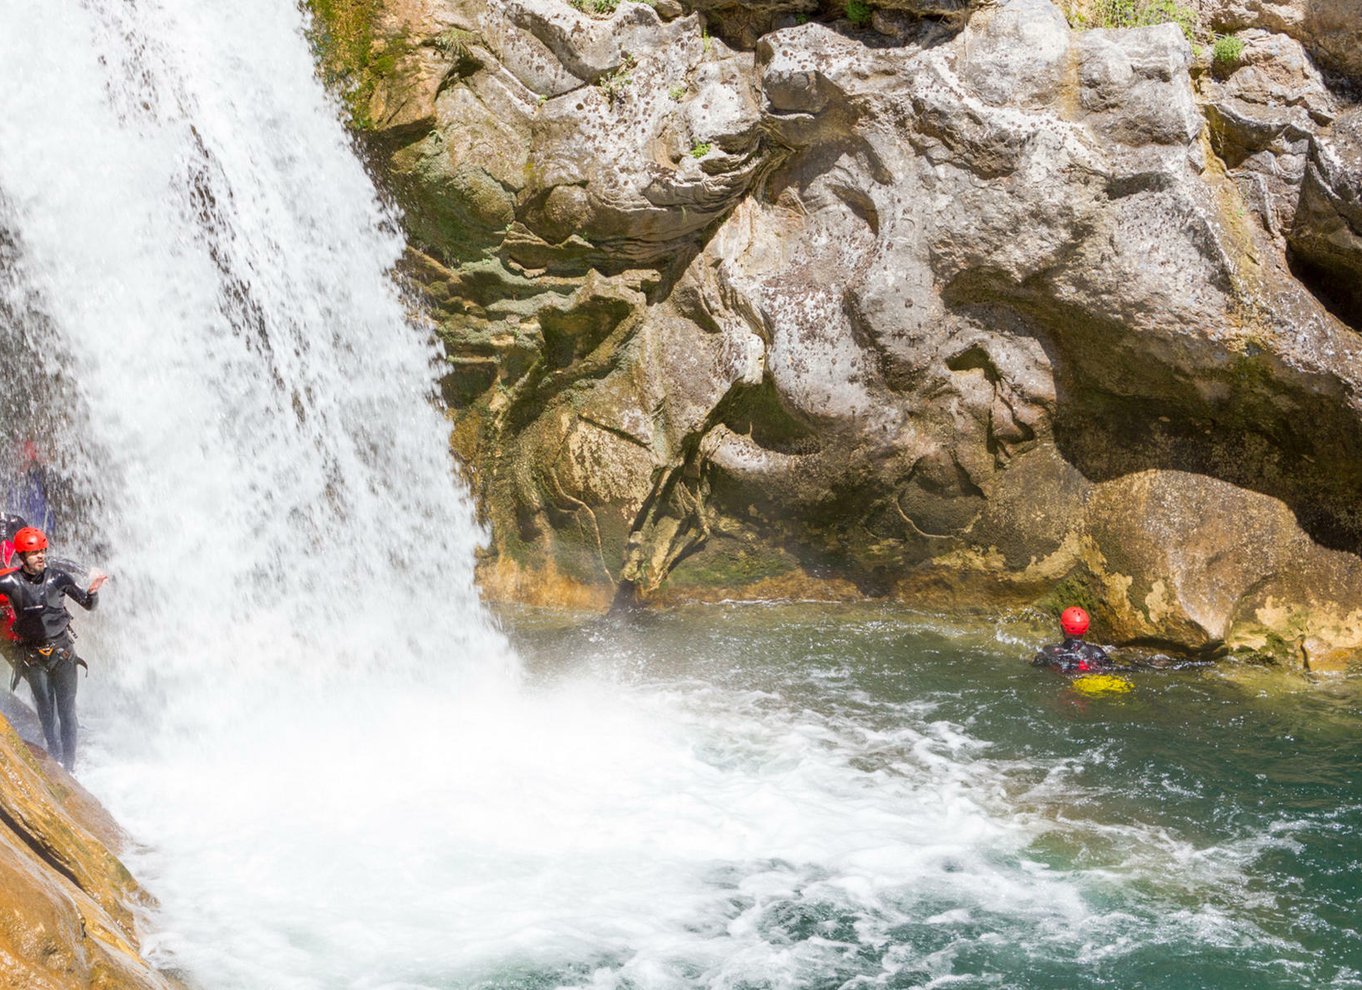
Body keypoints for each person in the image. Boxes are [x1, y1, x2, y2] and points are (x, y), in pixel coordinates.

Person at [0, 526, 106, 771]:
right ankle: (55, 756)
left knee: (67, 711)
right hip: (33, 657)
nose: (40, 556)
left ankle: (69, 765)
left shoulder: (58, 578)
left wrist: (93, 592)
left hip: (63, 653)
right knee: (46, 711)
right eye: (33, 553)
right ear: (22, 557)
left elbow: (88, 605)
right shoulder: (9, 581)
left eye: (42, 551)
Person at [1032, 605, 1111, 673]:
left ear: (1062, 628)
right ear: (1086, 629)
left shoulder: (1049, 650)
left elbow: (1035, 666)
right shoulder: (1097, 652)